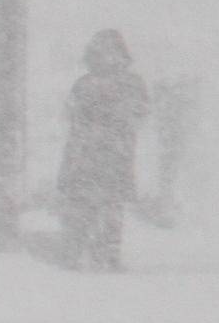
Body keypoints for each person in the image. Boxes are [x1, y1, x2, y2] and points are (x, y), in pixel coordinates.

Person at [57, 27, 151, 270]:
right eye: (98, 53)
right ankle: (83, 253)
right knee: (89, 207)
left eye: (107, 52)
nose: (102, 58)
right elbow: (73, 117)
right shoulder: (88, 84)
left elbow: (136, 114)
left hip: (107, 155)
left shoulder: (127, 83)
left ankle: (102, 255)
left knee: (108, 207)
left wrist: (102, 124)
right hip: (93, 155)